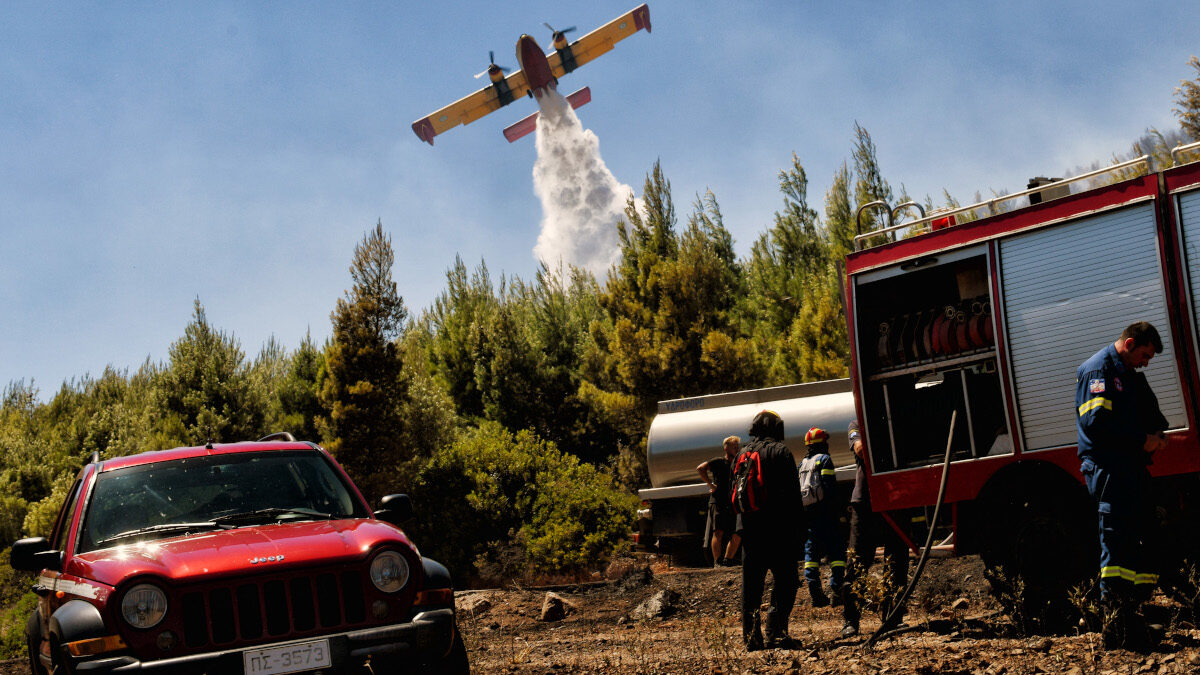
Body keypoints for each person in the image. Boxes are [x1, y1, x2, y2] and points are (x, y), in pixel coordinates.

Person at [1076, 321, 1168, 648]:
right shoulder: (1097, 372)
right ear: (1129, 344)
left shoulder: (1125, 373)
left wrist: (1155, 434)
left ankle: (1131, 619)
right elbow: (1098, 426)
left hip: (1128, 467)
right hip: (1110, 469)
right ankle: (1116, 629)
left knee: (1135, 542)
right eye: (1144, 355)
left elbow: (1138, 413)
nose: (1146, 362)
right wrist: (1141, 440)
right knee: (1116, 546)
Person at [736, 410, 805, 651]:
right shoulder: (781, 451)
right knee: (786, 581)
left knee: (751, 586)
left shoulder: (742, 453)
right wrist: (799, 530)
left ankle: (751, 639)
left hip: (749, 530)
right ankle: (776, 632)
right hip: (778, 530)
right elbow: (793, 496)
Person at [841, 419, 911, 637]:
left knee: (897, 560)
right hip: (865, 503)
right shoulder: (856, 424)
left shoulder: (897, 420)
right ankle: (851, 620)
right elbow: (860, 449)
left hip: (896, 498)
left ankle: (892, 617)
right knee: (857, 563)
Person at [798, 427, 846, 607]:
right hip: (826, 515)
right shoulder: (825, 460)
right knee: (836, 553)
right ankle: (836, 592)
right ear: (823, 443)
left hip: (809, 516)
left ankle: (816, 594)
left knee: (811, 555)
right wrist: (838, 513)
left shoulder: (802, 464)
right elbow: (830, 489)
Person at [697, 436, 742, 566]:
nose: (736, 449)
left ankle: (728, 559)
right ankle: (717, 562)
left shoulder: (737, 464)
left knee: (737, 532)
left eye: (737, 447)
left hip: (732, 501)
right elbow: (700, 468)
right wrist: (711, 485)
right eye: (734, 446)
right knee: (718, 531)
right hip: (718, 501)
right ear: (726, 447)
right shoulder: (718, 462)